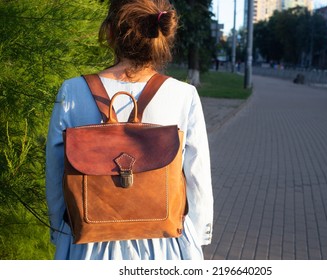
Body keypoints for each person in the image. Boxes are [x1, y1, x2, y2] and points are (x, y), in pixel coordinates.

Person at [45, 0, 213, 260]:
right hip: (164, 240)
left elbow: (55, 172)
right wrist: (196, 236)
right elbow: (197, 176)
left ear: (110, 33)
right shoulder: (184, 95)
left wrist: (60, 231)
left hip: (90, 242)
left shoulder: (72, 91)